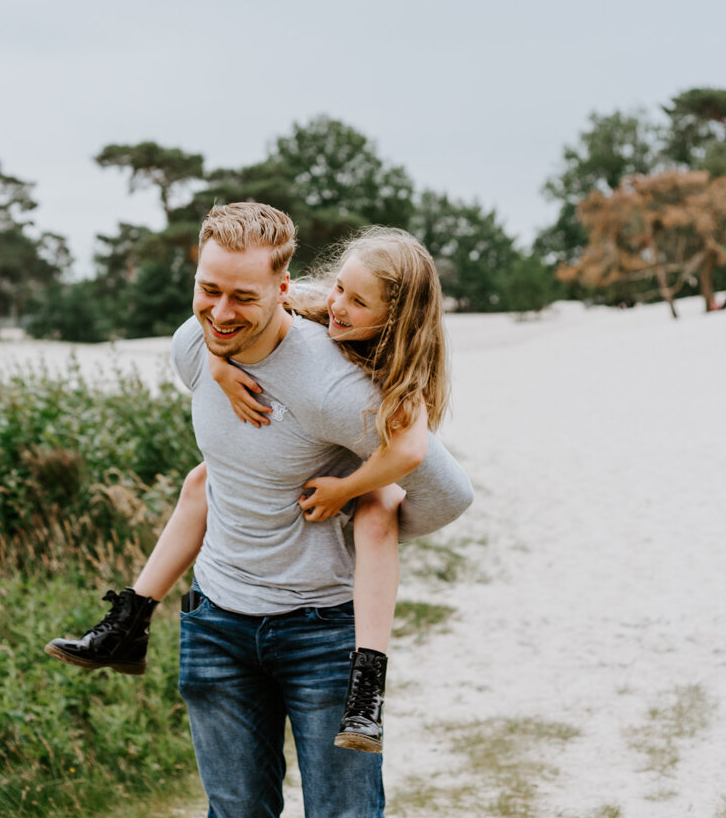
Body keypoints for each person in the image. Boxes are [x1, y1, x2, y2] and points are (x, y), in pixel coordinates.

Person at [47, 203, 472, 818]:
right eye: (208, 290)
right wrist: (218, 356)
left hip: (319, 636)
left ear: (284, 287)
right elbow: (207, 364)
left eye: (243, 298)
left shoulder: (334, 387)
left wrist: (360, 506)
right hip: (215, 627)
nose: (219, 312)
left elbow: (445, 490)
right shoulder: (192, 344)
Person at [47, 224, 451, 756]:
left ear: (394, 319)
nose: (339, 305)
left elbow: (411, 454)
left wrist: (345, 494)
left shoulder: (398, 369)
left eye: (358, 302)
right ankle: (132, 619)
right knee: (205, 478)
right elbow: (240, 315)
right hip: (263, 543)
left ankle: (367, 686)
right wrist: (218, 362)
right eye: (340, 290)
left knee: (376, 512)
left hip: (362, 476)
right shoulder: (315, 305)